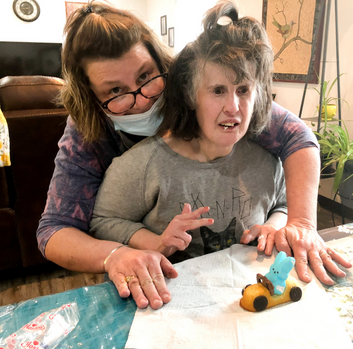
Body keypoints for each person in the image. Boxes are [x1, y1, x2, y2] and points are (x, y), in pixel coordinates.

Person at [36, 0, 351, 310]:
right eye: (115, 92)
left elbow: (296, 137)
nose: (143, 100)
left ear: (170, 73)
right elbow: (57, 230)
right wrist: (117, 253)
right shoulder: (96, 140)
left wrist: (297, 223)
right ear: (92, 100)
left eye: (147, 76)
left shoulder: (227, 109)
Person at [90, 4, 289, 263]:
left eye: (243, 90)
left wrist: (273, 226)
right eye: (218, 91)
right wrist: (155, 242)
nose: (233, 107)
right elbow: (102, 221)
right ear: (190, 95)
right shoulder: (143, 165)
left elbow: (282, 205)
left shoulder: (268, 161)